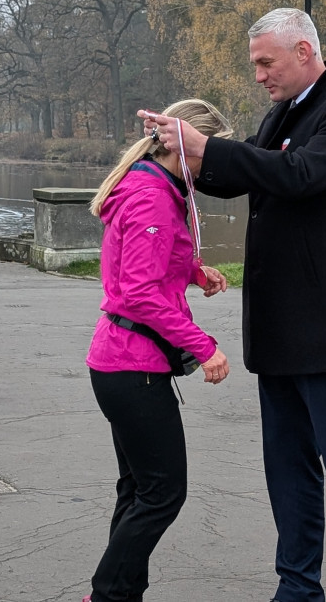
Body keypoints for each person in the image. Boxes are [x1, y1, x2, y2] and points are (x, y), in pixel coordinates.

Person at [142, 8, 326, 602]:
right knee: (288, 474)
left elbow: (299, 174)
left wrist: (211, 147)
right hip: (281, 329)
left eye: (266, 62)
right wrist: (182, 153)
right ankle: (298, 588)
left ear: (304, 52)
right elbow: (246, 175)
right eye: (255, 63)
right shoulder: (285, 111)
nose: (258, 75)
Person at [83, 98, 234, 602]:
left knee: (139, 491)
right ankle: (107, 594)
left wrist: (193, 270)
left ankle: (120, 594)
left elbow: (140, 260)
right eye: (207, 152)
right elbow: (141, 293)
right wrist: (204, 346)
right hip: (133, 365)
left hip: (120, 361)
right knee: (163, 493)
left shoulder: (151, 183)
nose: (210, 164)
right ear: (184, 147)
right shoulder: (152, 194)